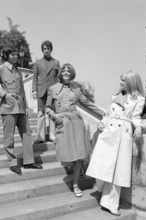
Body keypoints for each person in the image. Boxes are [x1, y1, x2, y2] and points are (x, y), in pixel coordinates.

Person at [86, 70, 145, 216]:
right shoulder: (115, 96)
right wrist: (102, 122)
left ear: (131, 82)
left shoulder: (139, 99)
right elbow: (107, 114)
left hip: (123, 134)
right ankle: (101, 191)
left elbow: (136, 116)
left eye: (123, 80)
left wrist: (138, 126)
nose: (120, 82)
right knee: (101, 163)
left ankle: (111, 203)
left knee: (118, 171)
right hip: (108, 133)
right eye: (120, 80)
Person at [45, 63, 105, 197]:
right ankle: (79, 170)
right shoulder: (52, 89)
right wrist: (55, 117)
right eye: (64, 71)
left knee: (78, 154)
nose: (66, 73)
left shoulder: (76, 89)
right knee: (67, 151)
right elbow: (47, 108)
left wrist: (104, 114)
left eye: (68, 71)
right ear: (61, 73)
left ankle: (76, 183)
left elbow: (87, 103)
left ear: (71, 74)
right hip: (62, 122)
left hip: (76, 122)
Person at [0, 45, 42, 175]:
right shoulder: (0, 69)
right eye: (13, 54)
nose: (15, 57)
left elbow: (22, 91)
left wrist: (27, 107)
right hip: (8, 106)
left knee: (27, 133)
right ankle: (12, 163)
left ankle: (28, 161)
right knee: (9, 136)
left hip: (21, 107)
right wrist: (4, 94)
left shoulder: (17, 71)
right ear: (6, 55)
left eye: (17, 54)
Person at [32, 40, 61, 143]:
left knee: (52, 113)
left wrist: (59, 90)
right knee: (40, 114)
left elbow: (59, 78)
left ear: (51, 49)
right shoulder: (38, 62)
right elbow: (35, 77)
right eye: (44, 49)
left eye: (48, 49)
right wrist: (33, 90)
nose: (46, 51)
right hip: (41, 91)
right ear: (42, 50)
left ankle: (53, 136)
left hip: (52, 92)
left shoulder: (56, 62)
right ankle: (40, 137)